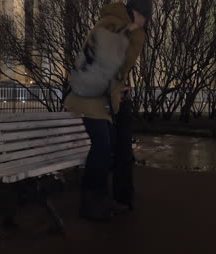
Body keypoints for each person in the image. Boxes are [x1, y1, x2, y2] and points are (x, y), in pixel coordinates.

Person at [64, 0, 151, 221]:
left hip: (98, 97)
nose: (145, 21)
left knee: (107, 148)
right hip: (88, 97)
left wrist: (119, 88)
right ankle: (91, 203)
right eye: (143, 16)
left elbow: (113, 69)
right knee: (102, 148)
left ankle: (99, 198)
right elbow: (102, 62)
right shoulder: (111, 25)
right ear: (134, 12)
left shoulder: (122, 27)